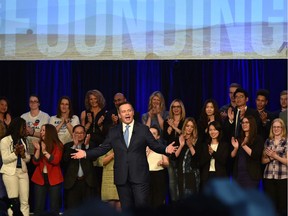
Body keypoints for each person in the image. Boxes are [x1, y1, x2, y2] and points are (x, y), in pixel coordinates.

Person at [71, 102, 178, 210]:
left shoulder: (143, 129)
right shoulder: (113, 131)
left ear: (132, 112)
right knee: (126, 209)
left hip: (139, 177)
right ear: (119, 114)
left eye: (129, 110)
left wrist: (165, 149)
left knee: (141, 208)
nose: (127, 113)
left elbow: (154, 145)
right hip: (122, 176)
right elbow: (103, 148)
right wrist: (85, 153)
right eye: (123, 111)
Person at [80, 89, 109, 198]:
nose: (93, 101)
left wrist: (100, 124)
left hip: (101, 144)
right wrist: (89, 123)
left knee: (100, 173)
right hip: (89, 144)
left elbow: (106, 132)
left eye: (95, 98)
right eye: (91, 99)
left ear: (99, 99)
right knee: (89, 172)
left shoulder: (105, 113)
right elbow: (82, 131)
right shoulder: (84, 113)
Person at [31, 124, 64, 216]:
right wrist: (38, 149)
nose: (41, 132)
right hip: (40, 178)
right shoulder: (39, 144)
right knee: (38, 207)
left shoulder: (58, 145)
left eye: (43, 130)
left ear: (50, 132)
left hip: (54, 178)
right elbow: (35, 162)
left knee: (54, 207)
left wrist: (44, 151)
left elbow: (56, 160)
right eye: (41, 130)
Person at [0, 117, 30, 216]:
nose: (25, 129)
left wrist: (23, 155)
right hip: (10, 173)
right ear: (17, 127)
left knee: (25, 202)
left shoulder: (23, 140)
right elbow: (5, 159)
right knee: (13, 202)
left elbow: (28, 159)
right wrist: (15, 153)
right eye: (24, 127)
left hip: (23, 173)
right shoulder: (5, 140)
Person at [62, 125, 96, 210]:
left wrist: (87, 146)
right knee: (72, 210)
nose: (79, 135)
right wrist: (74, 146)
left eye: (81, 133)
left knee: (89, 210)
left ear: (85, 134)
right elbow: (65, 160)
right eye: (77, 133)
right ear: (73, 134)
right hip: (72, 183)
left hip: (87, 182)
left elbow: (94, 158)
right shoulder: (67, 146)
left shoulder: (90, 145)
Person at [261, 118, 287, 216]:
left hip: (283, 178)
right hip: (268, 177)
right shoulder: (268, 141)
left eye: (278, 127)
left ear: (282, 128)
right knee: (270, 206)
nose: (276, 129)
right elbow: (263, 161)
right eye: (274, 127)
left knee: (282, 207)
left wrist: (275, 156)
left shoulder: (286, 141)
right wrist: (270, 159)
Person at [230, 116, 264, 188]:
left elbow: (255, 155)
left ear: (252, 124)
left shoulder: (258, 139)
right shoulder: (239, 138)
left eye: (247, 122)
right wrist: (235, 148)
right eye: (242, 123)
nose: (244, 124)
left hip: (251, 176)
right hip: (238, 175)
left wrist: (243, 145)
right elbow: (232, 156)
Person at [172, 117, 201, 200]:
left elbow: (197, 159)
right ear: (184, 127)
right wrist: (181, 145)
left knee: (191, 199)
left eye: (192, 127)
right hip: (180, 172)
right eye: (188, 126)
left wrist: (191, 146)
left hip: (192, 174)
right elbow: (174, 157)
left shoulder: (197, 140)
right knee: (180, 198)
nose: (189, 128)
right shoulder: (178, 139)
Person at [162, 99, 186, 203]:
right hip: (171, 155)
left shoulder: (185, 121)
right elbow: (165, 138)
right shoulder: (167, 122)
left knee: (181, 179)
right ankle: (174, 204)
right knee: (172, 181)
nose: (176, 109)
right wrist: (169, 129)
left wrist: (174, 127)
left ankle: (183, 204)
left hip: (182, 153)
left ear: (181, 108)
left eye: (178, 107)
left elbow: (185, 134)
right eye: (173, 107)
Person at [200, 121, 229, 188]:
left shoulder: (224, 145)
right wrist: (209, 154)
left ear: (219, 131)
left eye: (215, 129)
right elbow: (201, 162)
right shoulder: (204, 145)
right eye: (210, 130)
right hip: (206, 176)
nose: (212, 132)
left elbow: (223, 161)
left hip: (220, 176)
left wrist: (213, 153)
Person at [147, 126, 169, 208]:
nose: (151, 135)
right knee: (148, 201)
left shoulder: (161, 148)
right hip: (147, 176)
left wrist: (163, 162)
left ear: (158, 136)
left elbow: (167, 163)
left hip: (159, 176)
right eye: (150, 133)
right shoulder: (143, 147)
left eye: (154, 133)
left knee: (158, 201)